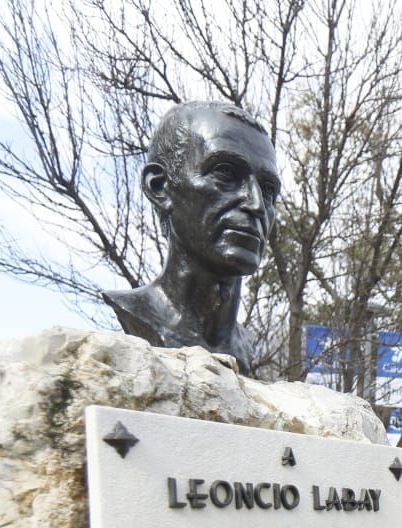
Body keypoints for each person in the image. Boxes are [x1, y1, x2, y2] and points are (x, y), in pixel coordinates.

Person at [103, 100, 282, 374]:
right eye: (225, 172)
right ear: (160, 187)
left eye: (268, 189)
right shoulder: (136, 315)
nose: (256, 204)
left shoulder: (248, 345)